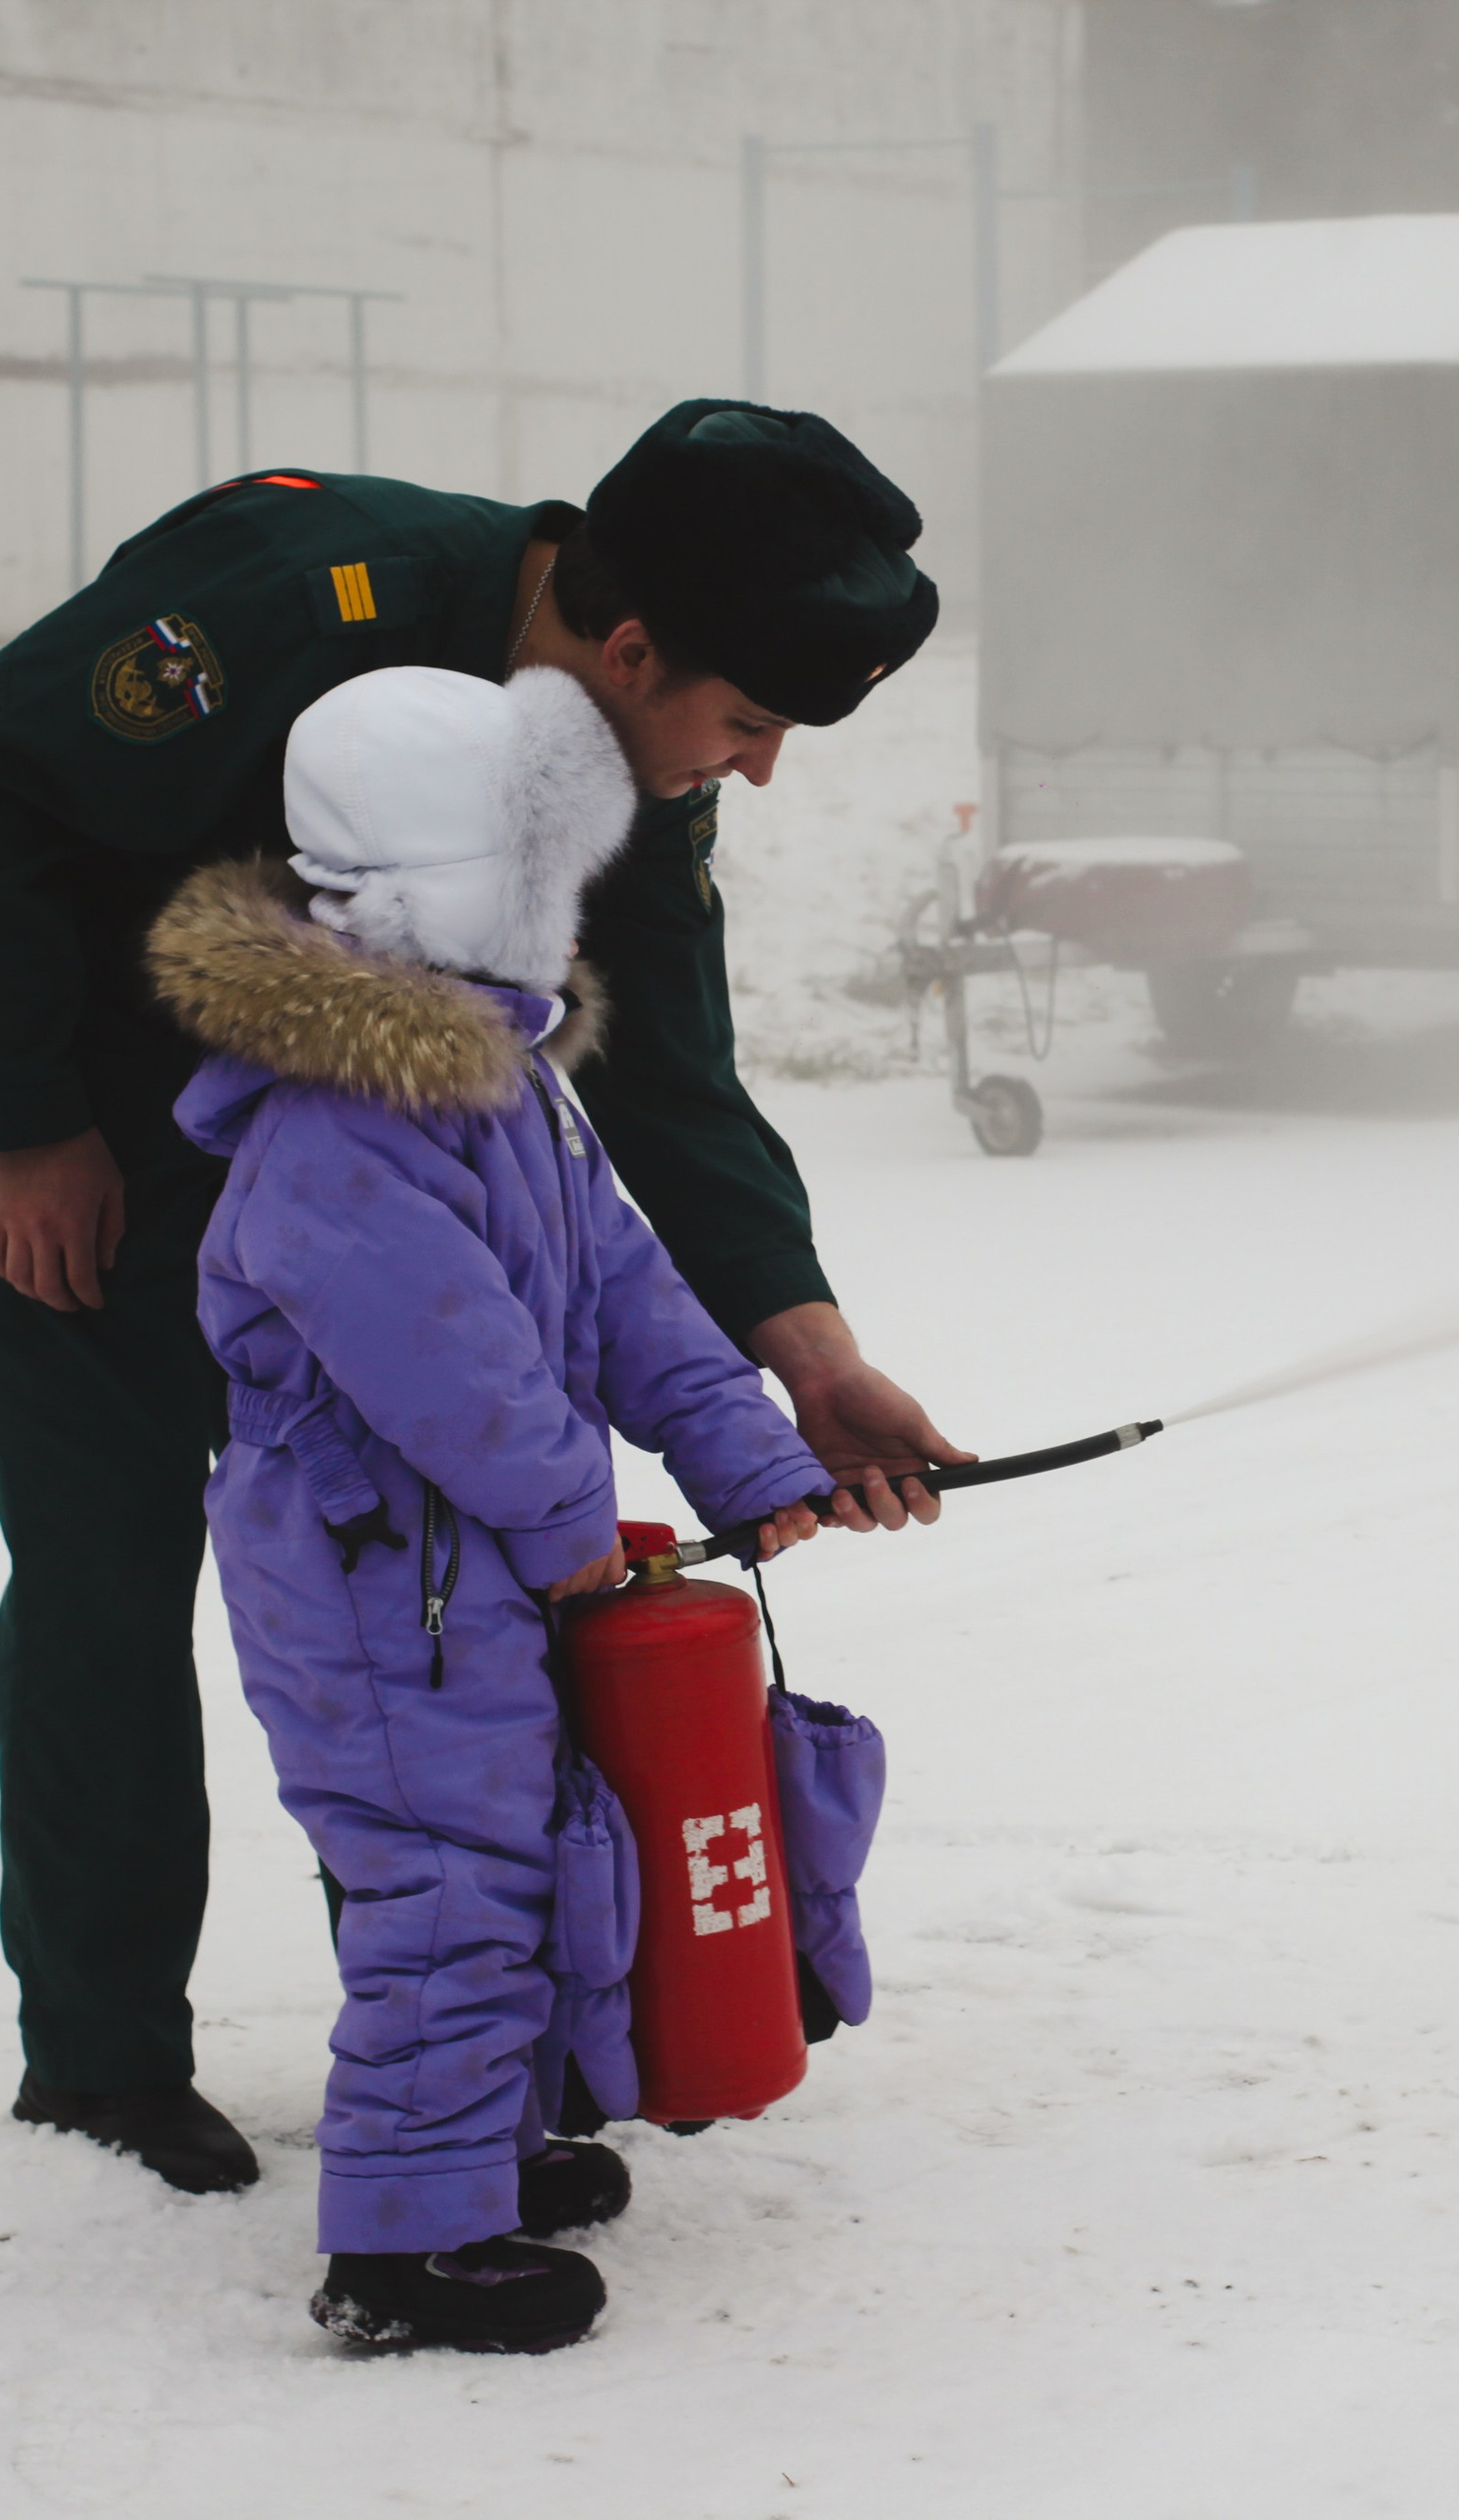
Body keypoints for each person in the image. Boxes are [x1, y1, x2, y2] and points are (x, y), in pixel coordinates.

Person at [0, 401, 968, 2194]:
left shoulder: (610, 758)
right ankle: (104, 2063)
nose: (753, 770)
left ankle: (456, 2067)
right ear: (624, 650)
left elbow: (665, 1069)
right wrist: (28, 1123)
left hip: (413, 1173)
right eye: (745, 724)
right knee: (103, 1584)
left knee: (419, 1639)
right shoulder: (298, 595)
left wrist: (801, 1351)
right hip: (101, 1144)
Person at [155, 661, 835, 2353]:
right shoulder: (335, 1126)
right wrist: (563, 1522)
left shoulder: (507, 1079)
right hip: (377, 1578)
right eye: (531, 866)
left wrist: (747, 1458)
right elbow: (446, 1360)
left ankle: (483, 2154)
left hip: (472, 1572)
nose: (561, 900)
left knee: (527, 1849)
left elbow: (620, 1288)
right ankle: (401, 2251)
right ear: (435, 881)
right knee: (448, 1880)